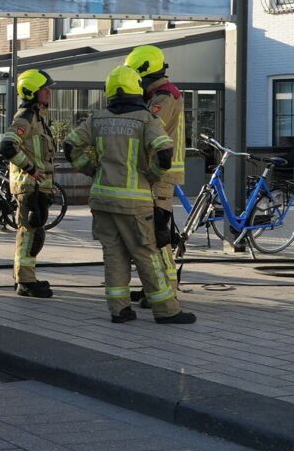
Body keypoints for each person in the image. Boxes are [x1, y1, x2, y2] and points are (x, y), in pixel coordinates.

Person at [64, 67, 196, 325]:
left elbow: (70, 144)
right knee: (146, 254)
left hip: (102, 200)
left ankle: (119, 310)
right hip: (135, 203)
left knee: (113, 255)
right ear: (136, 87)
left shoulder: (97, 118)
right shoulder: (145, 119)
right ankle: (166, 310)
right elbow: (164, 153)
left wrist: (90, 169)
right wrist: (152, 175)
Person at [126, 45, 186, 307]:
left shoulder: (164, 97)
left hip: (161, 175)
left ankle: (165, 290)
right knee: (150, 235)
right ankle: (155, 286)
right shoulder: (158, 95)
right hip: (155, 174)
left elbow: (149, 129)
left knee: (159, 234)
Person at [0, 69, 57, 298]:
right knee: (28, 234)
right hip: (29, 187)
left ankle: (27, 277)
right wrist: (31, 169)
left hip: (37, 187)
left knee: (34, 234)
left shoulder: (37, 117)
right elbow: (8, 146)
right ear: (33, 91)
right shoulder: (26, 117)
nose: (49, 92)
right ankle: (25, 282)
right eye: (44, 89)